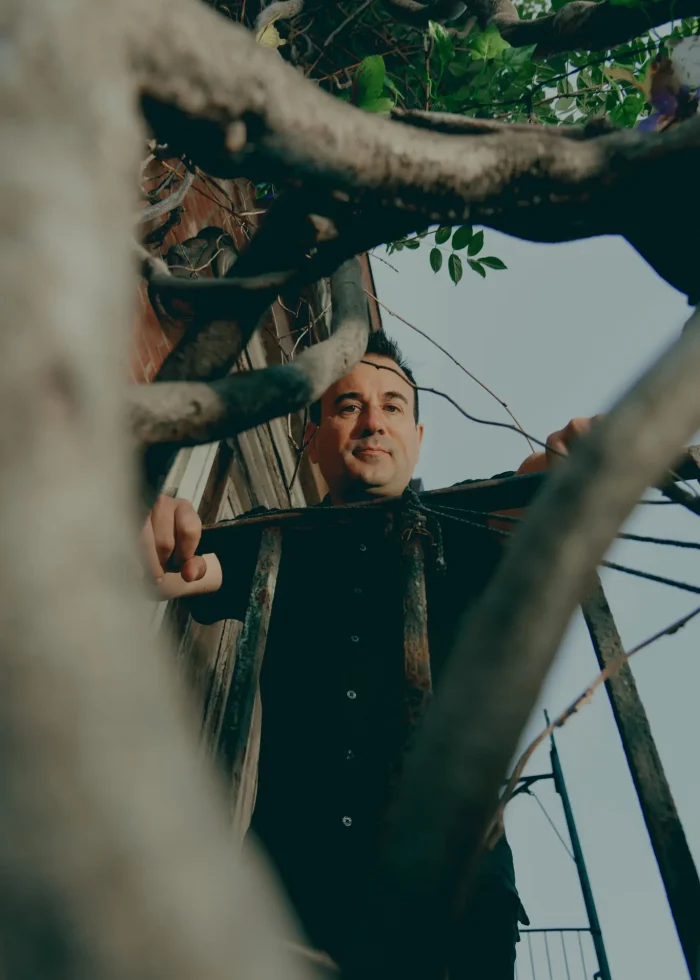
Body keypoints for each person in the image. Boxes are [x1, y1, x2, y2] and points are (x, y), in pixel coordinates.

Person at [141, 331, 597, 978]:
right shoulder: (271, 540)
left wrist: (570, 461)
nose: (373, 421)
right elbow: (180, 567)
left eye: (392, 404)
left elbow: (534, 496)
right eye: (348, 405)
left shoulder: (467, 523)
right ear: (313, 435)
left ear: (418, 433)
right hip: (291, 900)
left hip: (451, 911)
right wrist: (148, 529)